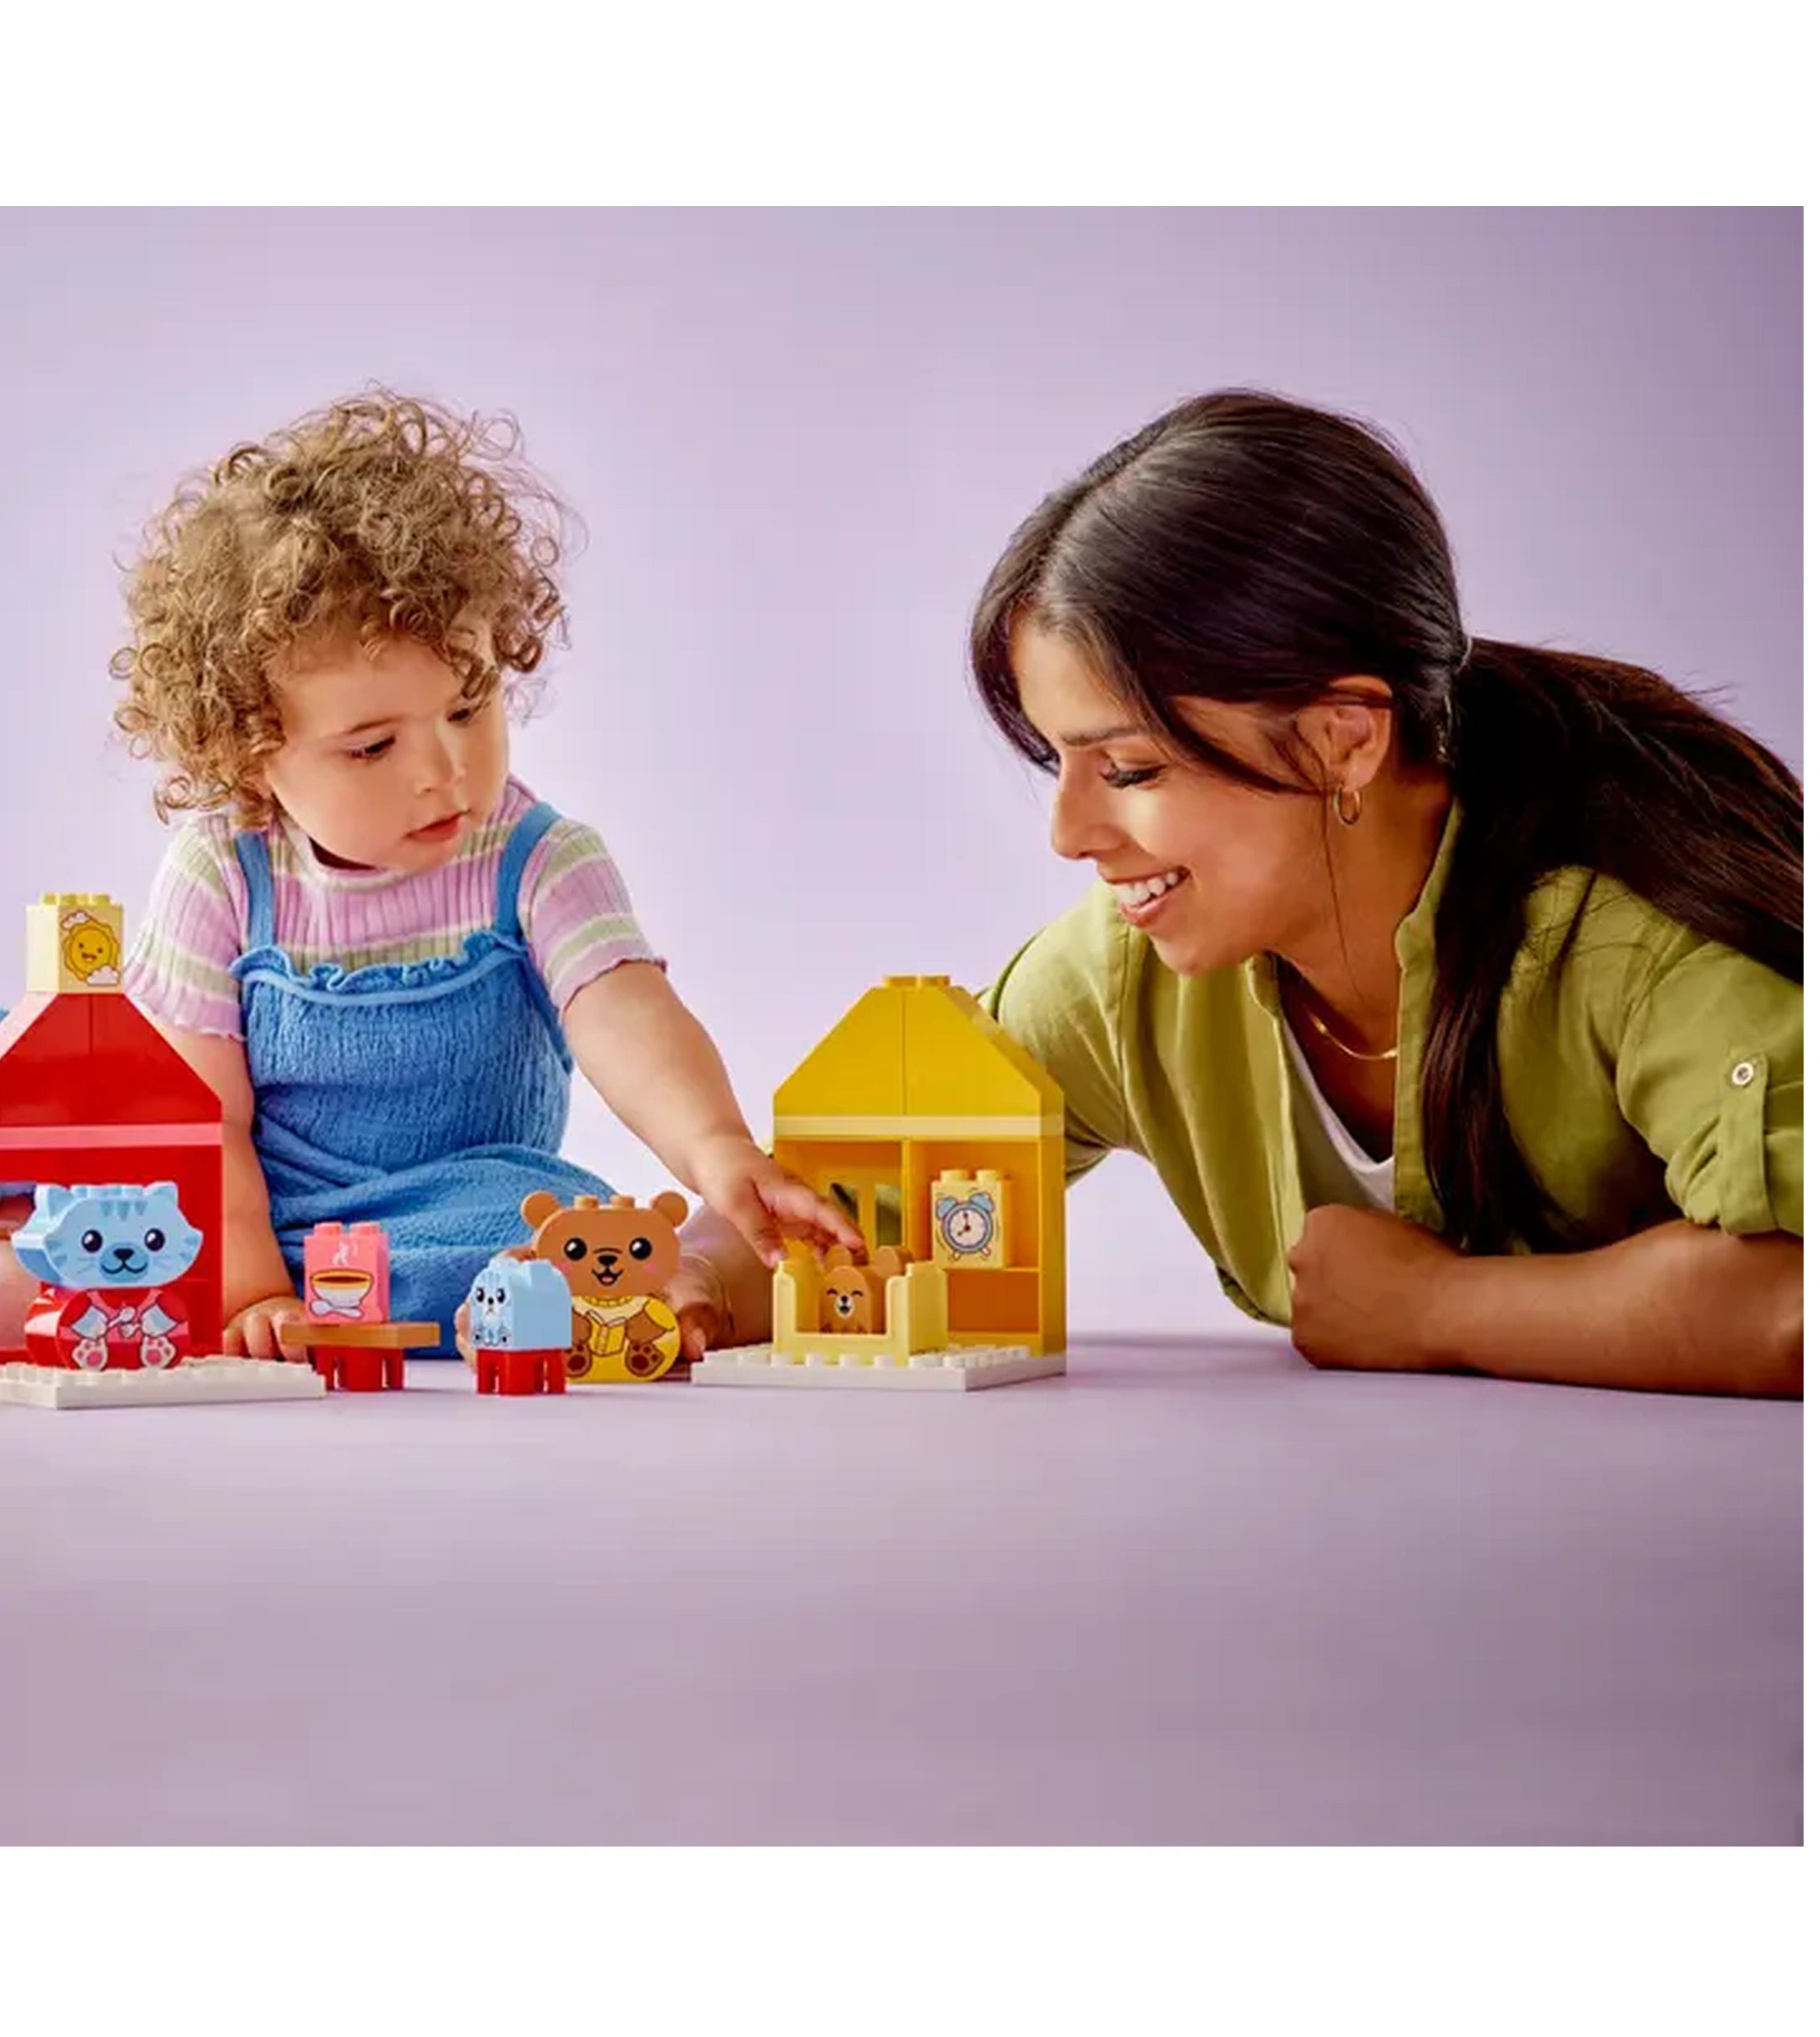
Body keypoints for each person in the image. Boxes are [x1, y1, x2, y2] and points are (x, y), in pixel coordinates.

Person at [670, 390, 1801, 1398]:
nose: (1069, 834)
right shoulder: (1116, 979)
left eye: (1131, 770)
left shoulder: (1631, 951)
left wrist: (1437, 1311)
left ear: (1342, 738)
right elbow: (851, 1212)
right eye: (1055, 764)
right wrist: (686, 1285)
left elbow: (1795, 1302)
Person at [0, 392, 856, 1356]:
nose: (443, 770)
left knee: (563, 1230)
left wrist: (715, 1144)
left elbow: (625, 1014)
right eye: (373, 748)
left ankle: (647, 1279)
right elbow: (201, 1118)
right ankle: (4, 1261)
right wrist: (247, 1285)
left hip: (452, 1195)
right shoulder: (223, 877)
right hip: (239, 1198)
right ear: (254, 755)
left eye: (469, 710)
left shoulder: (539, 859)